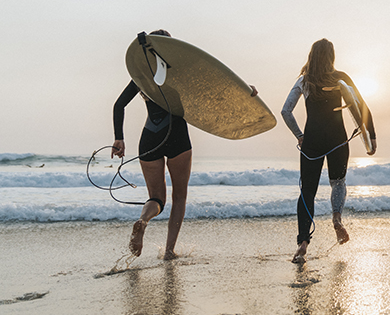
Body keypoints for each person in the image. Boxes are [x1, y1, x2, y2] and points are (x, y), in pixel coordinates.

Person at [112, 29, 258, 259]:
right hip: (177, 135)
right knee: (179, 196)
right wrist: (244, 92)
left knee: (156, 198)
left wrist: (118, 137)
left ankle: (143, 220)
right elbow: (216, 90)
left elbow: (118, 105)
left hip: (150, 136)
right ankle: (169, 250)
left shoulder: (141, 75)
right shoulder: (182, 73)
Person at [282, 38, 376, 263]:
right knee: (338, 182)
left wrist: (299, 136)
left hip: (312, 141)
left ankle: (303, 243)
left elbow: (286, 111)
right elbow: (361, 105)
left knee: (307, 191)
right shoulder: (341, 79)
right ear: (332, 57)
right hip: (337, 140)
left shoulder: (304, 81)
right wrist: (371, 136)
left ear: (311, 56)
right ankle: (336, 220)